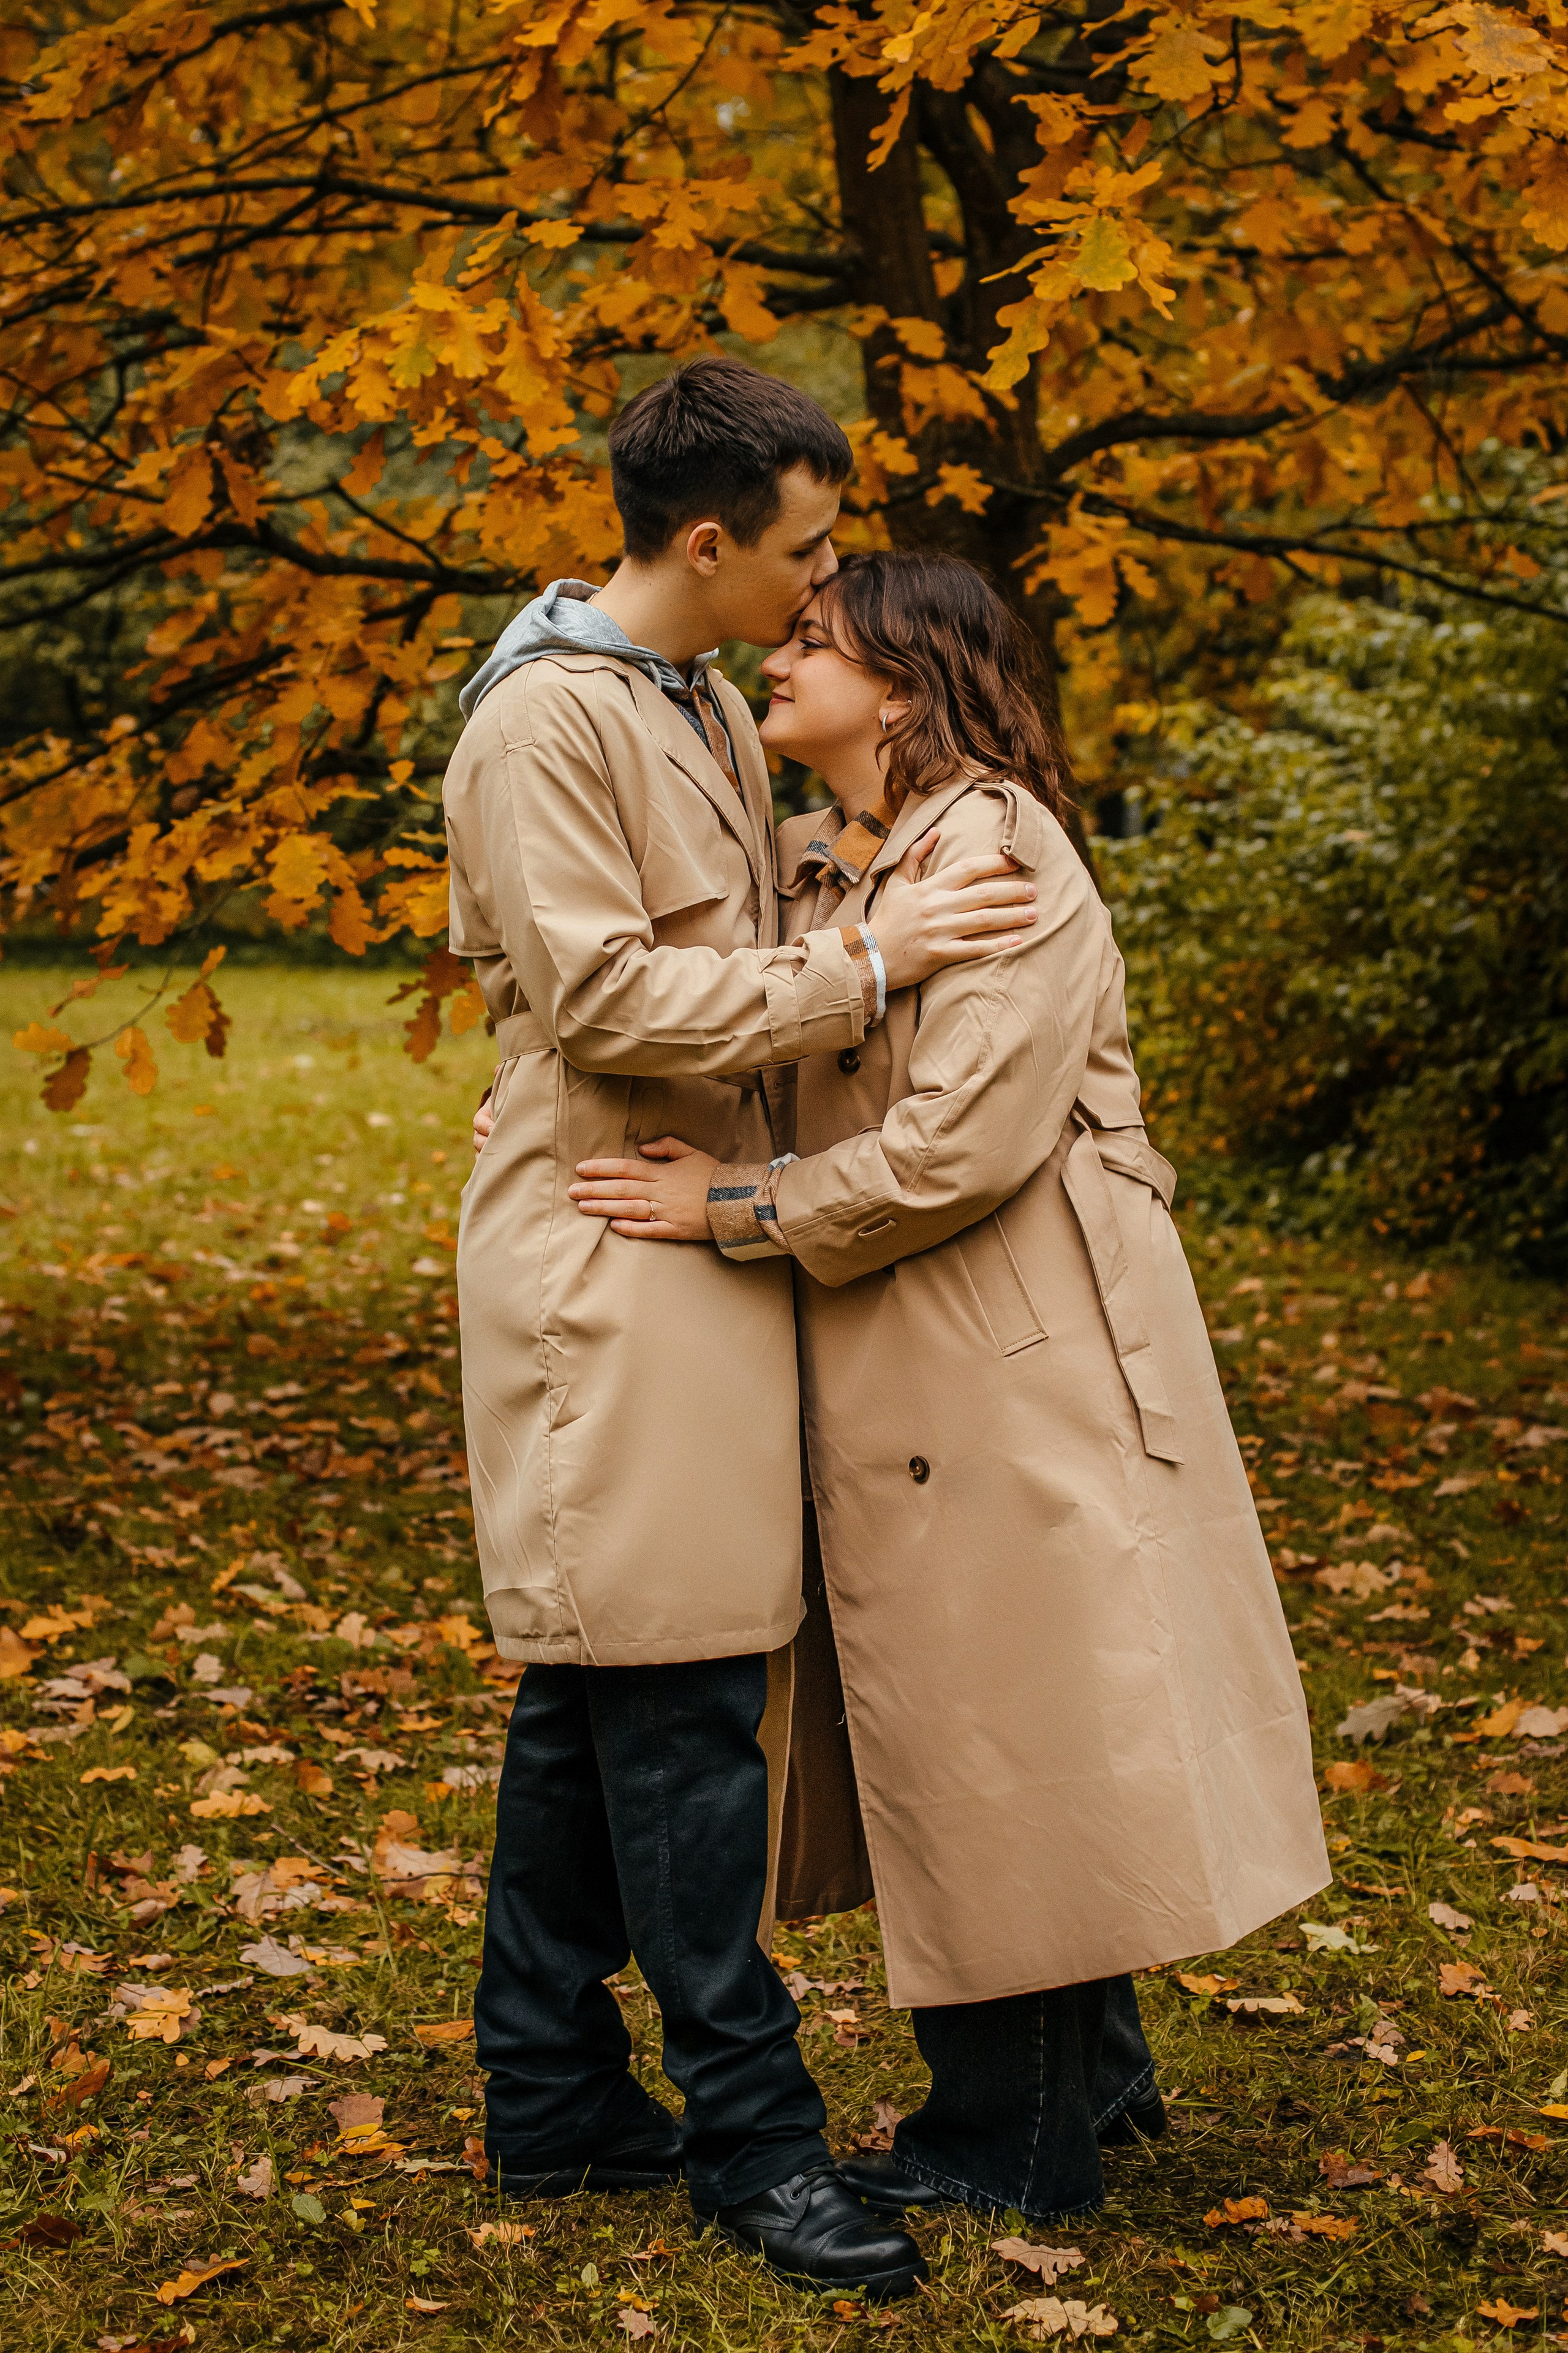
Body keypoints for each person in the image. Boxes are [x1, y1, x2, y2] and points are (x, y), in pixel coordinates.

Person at [565, 549, 1333, 2225]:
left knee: (1017, 1734)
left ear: (902, 686)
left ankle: (1010, 2139)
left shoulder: (995, 851)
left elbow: (957, 1150)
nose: (779, 659)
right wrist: (561, 1108)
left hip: (1014, 1357)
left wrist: (731, 1209)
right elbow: (737, 1022)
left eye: (815, 643)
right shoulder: (838, 860)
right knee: (1019, 1721)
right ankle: (1095, 2076)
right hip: (931, 1360)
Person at [445, 361, 1036, 2295]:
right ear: (710, 541)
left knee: (617, 1671)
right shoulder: (543, 721)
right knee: (681, 1697)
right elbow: (613, 1000)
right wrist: (867, 961)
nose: (825, 580)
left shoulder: (693, 695)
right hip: (608, 1235)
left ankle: (547, 2093)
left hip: (704, 1223)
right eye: (805, 546)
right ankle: (755, 2139)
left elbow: (742, 920)